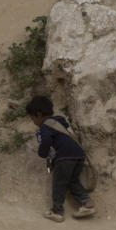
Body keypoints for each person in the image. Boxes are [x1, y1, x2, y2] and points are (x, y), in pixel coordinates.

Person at [26, 95, 95, 223]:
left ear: (39, 114)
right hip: (79, 155)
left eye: (33, 118)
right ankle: (87, 203)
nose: (33, 122)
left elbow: (46, 141)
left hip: (65, 157)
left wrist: (42, 153)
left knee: (59, 183)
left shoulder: (45, 126)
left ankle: (57, 211)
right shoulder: (59, 122)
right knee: (72, 181)